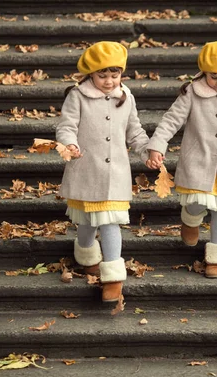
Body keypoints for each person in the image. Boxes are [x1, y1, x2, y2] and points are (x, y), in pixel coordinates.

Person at [146, 41, 217, 279]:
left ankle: (216, 258)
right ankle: (190, 219)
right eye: (214, 77)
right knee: (197, 203)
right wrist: (157, 146)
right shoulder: (192, 92)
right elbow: (171, 120)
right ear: (204, 72)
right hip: (199, 160)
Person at [57, 41, 149, 302]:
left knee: (109, 222)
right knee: (86, 221)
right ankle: (85, 251)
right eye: (102, 76)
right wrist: (70, 143)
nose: (109, 81)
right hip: (86, 168)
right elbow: (66, 126)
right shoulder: (77, 96)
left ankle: (113, 278)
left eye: (114, 75)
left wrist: (147, 151)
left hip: (116, 173)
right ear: (90, 74)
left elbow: (135, 131)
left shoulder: (126, 96)